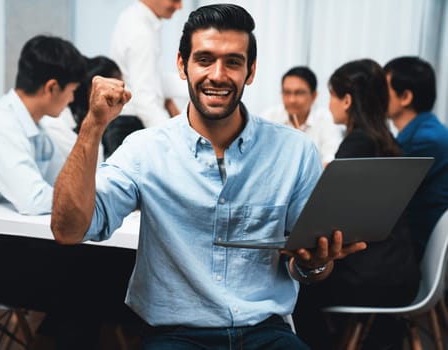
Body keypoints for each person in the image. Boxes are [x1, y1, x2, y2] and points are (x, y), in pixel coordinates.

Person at [51, 4, 366, 349]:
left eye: (233, 61)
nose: (218, 74)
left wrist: (316, 266)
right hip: (174, 336)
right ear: (181, 65)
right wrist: (93, 126)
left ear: (251, 70)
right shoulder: (144, 150)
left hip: (266, 332)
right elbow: (68, 229)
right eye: (204, 59)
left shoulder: (296, 152)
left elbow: (306, 268)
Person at [0, 35, 137, 349]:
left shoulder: (32, 125)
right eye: (70, 92)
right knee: (85, 288)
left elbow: (67, 182)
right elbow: (36, 199)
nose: (71, 101)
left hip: (8, 247)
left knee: (103, 272)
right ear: (52, 87)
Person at [293, 59, 421, 350]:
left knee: (297, 283)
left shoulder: (357, 144)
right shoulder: (389, 142)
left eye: (332, 97)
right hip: (401, 272)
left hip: (369, 278)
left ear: (347, 100)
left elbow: (327, 211)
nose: (330, 105)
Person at [383, 56, 448, 261]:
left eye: (383, 89)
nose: (376, 97)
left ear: (405, 97)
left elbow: (386, 195)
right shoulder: (427, 130)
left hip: (415, 247)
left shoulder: (423, 141)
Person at [110, 0, 183, 129]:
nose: (179, 7)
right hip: (131, 124)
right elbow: (144, 99)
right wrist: (173, 135)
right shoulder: (141, 32)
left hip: (128, 119)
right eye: (175, 0)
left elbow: (147, 80)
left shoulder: (132, 17)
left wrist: (168, 103)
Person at [261, 66, 343, 165]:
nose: (292, 100)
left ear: (314, 96)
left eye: (299, 93)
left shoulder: (326, 119)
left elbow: (331, 161)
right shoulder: (269, 118)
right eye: (287, 93)